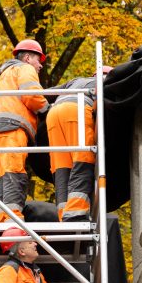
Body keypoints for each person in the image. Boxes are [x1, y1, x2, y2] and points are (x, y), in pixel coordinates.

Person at [0, 39, 50, 223]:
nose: (40, 66)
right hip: (11, 128)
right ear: (27, 58)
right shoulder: (25, 69)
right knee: (14, 172)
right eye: (38, 61)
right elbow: (32, 95)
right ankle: (14, 220)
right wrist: (48, 111)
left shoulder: (4, 75)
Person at [46, 66, 111, 221]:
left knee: (61, 167)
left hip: (53, 115)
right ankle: (75, 212)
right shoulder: (106, 81)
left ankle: (63, 214)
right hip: (78, 111)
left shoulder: (75, 81)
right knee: (83, 160)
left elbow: (47, 93)